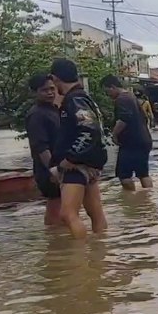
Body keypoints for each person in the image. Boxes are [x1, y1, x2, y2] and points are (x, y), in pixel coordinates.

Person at [48, 58, 107, 239]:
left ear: (55, 78)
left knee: (68, 214)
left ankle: (78, 262)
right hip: (90, 163)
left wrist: (70, 158)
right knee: (95, 213)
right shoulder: (84, 97)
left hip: (77, 164)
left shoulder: (74, 99)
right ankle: (101, 253)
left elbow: (89, 129)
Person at [102, 75, 153, 191]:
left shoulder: (122, 99)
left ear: (112, 87)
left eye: (107, 92)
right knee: (143, 173)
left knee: (124, 176)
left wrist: (114, 135)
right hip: (143, 140)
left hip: (131, 143)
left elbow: (124, 119)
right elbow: (144, 117)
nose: (108, 95)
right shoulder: (131, 96)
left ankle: (131, 202)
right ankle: (147, 200)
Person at [25, 73, 62, 226]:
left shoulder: (53, 110)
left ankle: (59, 244)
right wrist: (53, 170)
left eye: (52, 89)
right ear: (35, 92)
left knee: (63, 209)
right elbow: (41, 147)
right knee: (55, 208)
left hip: (59, 166)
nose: (50, 93)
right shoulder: (36, 115)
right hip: (48, 169)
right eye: (44, 90)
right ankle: (53, 244)